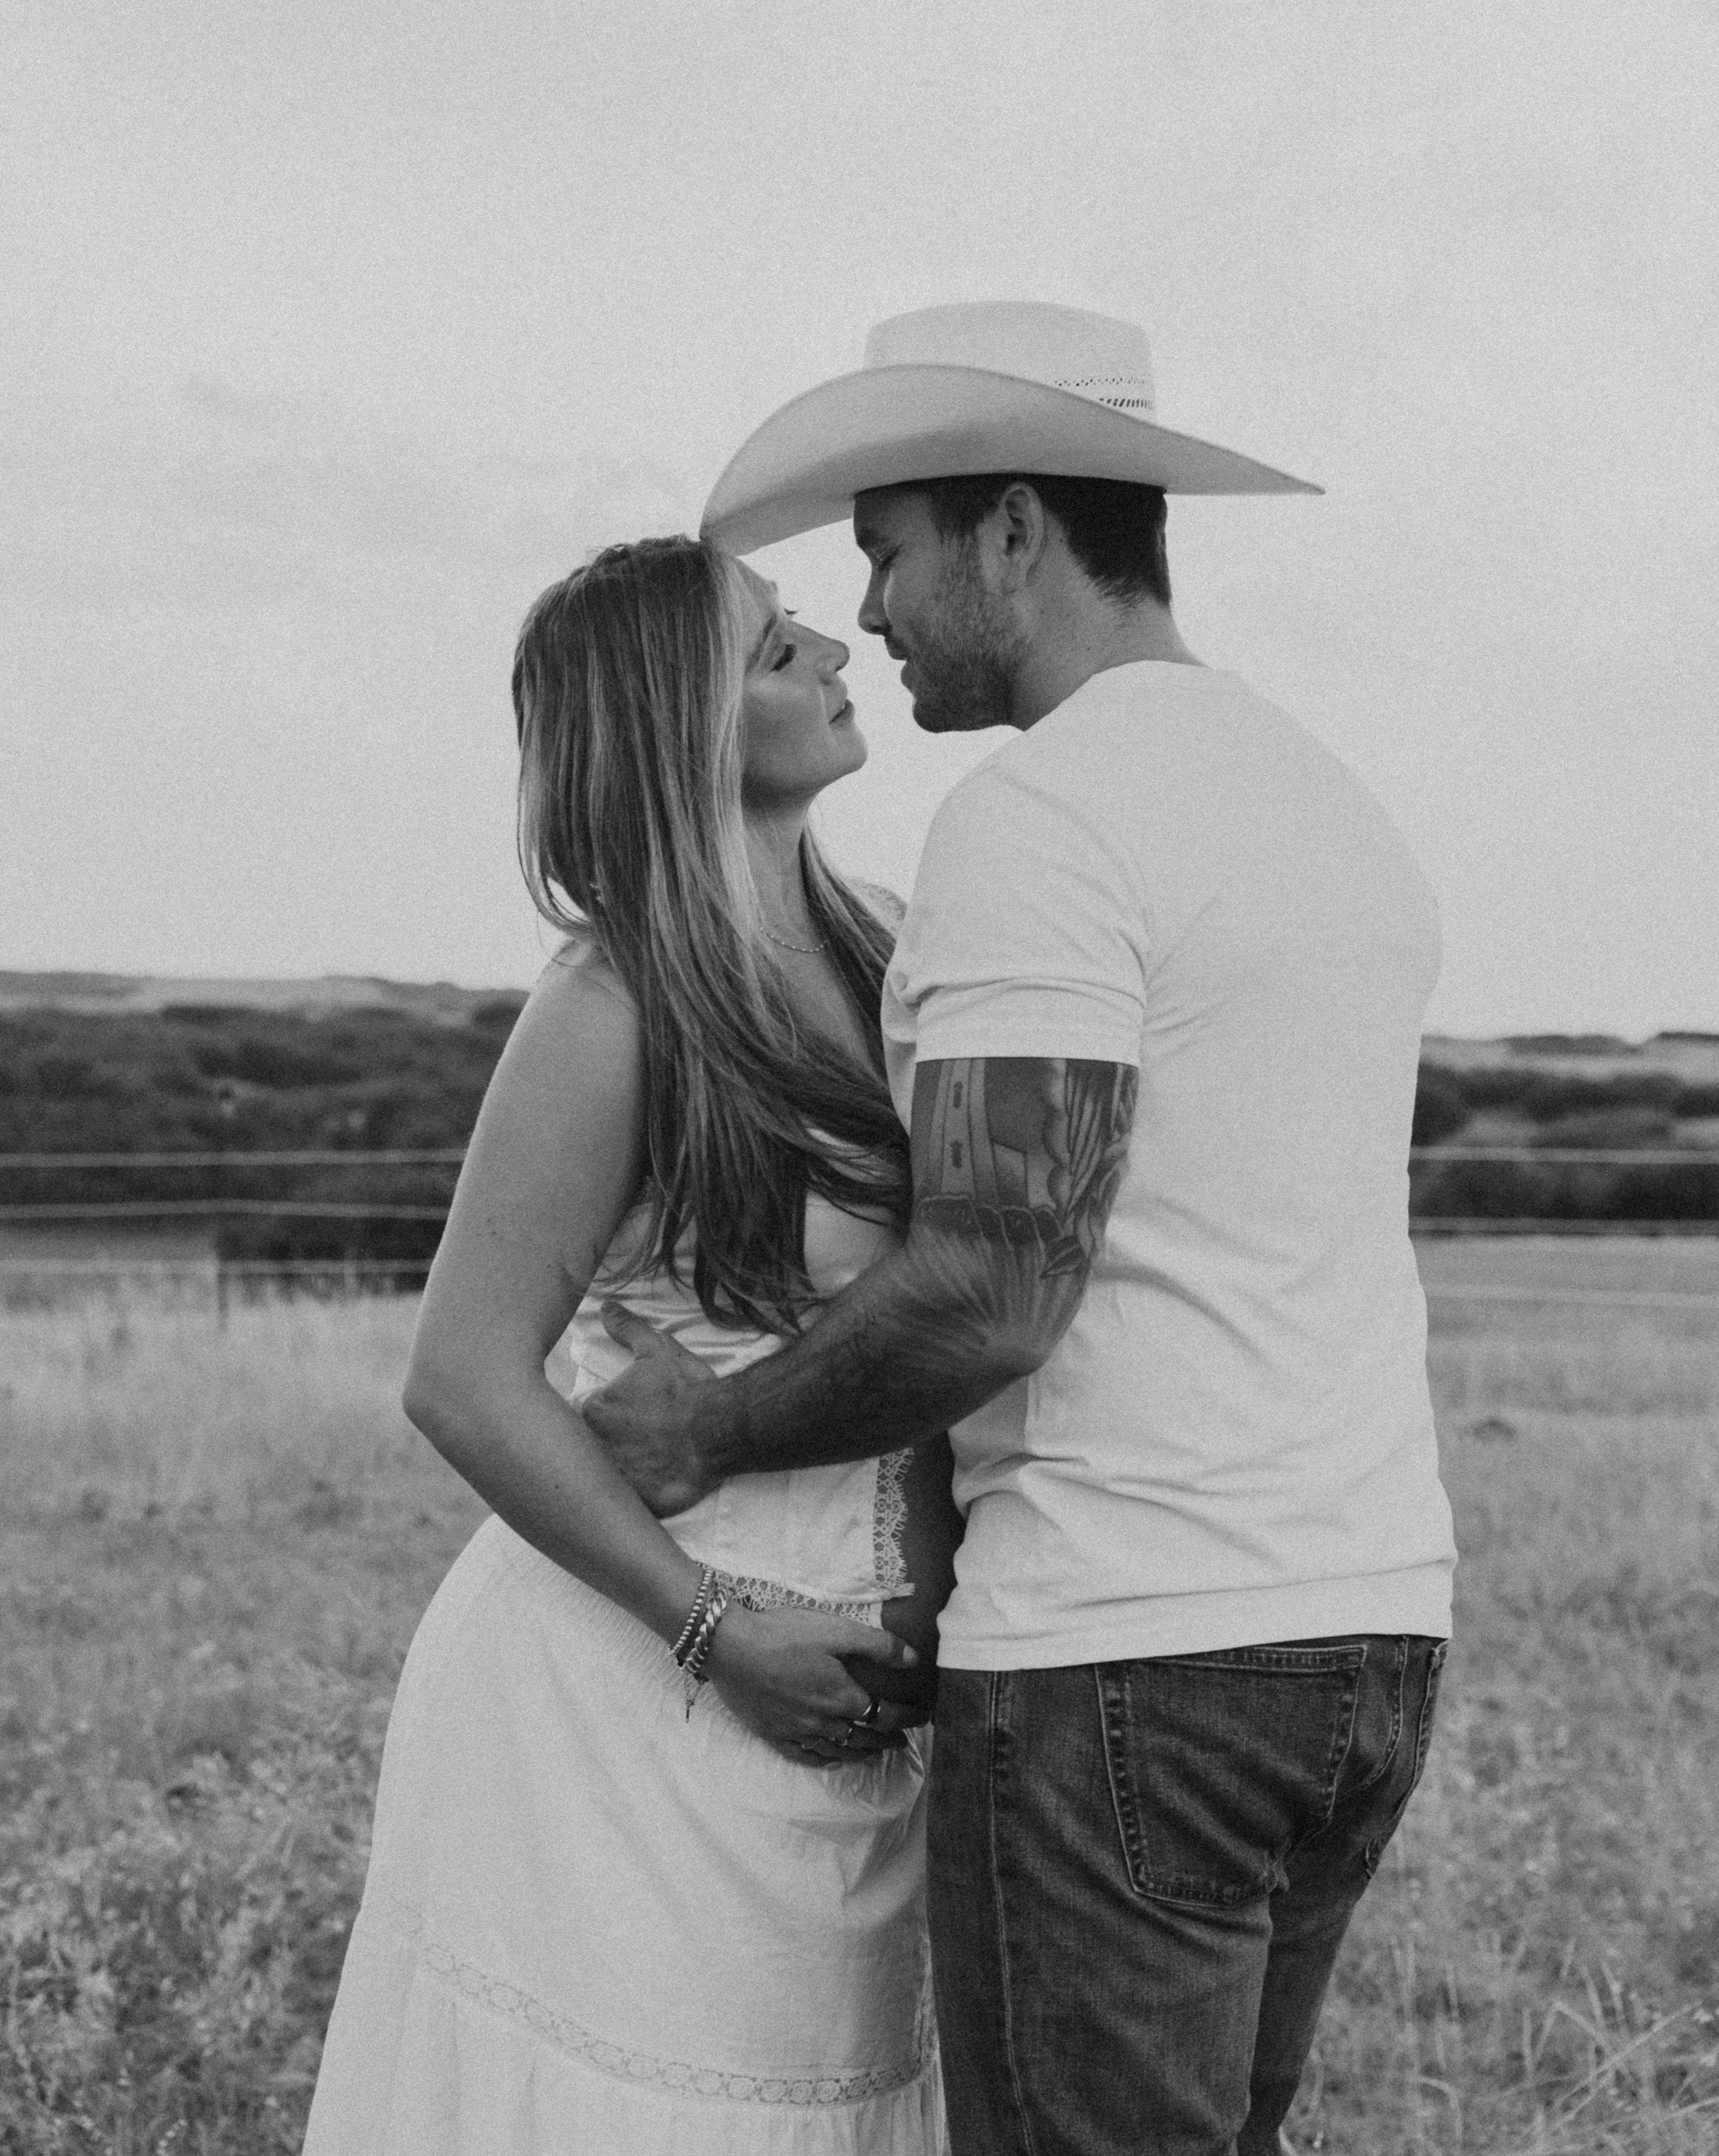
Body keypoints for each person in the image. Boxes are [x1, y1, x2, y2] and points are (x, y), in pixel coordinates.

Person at [585, 301, 1458, 2156]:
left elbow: (994, 1278)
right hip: (1366, 1625)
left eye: (888, 550)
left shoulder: (1044, 817)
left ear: (1008, 530)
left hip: (1124, 1651)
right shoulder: (1325, 804)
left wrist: (706, 1431)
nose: (873, 610)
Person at [303, 535, 961, 2153]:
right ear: (679, 725)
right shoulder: (614, 1005)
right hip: (627, 1692)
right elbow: (461, 1376)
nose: (837, 645)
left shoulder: (898, 946)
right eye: (773, 648)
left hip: (868, 1684)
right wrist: (709, 1627)